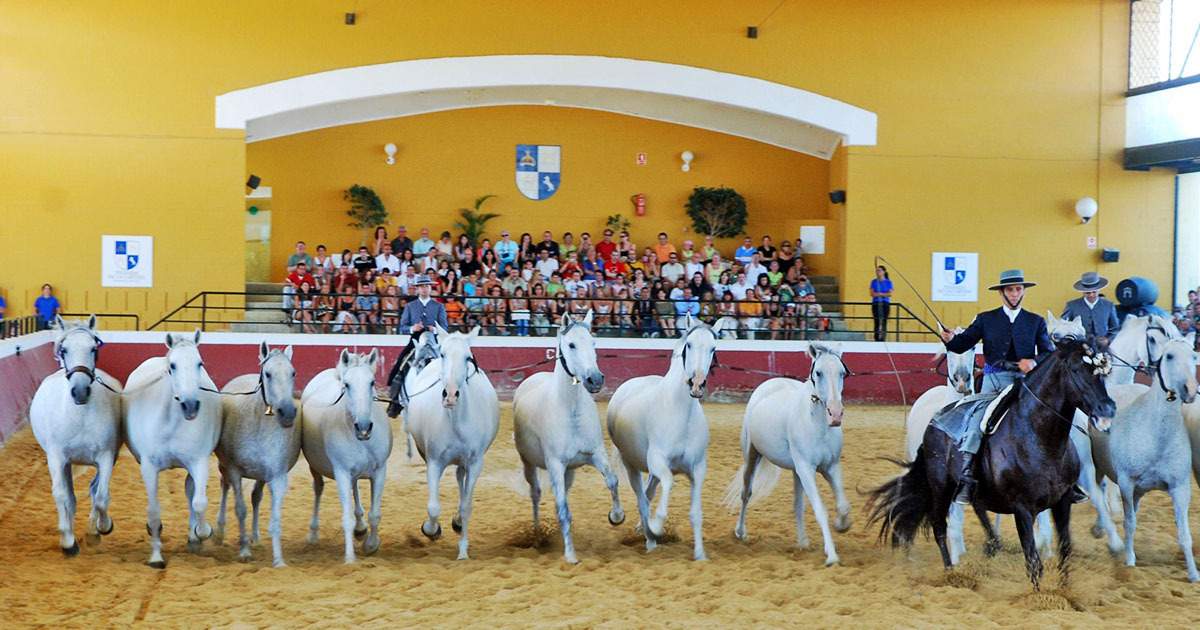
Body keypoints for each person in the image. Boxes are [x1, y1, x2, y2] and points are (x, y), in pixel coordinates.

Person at [940, 269, 1075, 506]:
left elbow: (1049, 353)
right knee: (977, 423)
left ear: (1023, 292)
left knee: (1057, 423)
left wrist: (1034, 362)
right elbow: (963, 344)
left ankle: (1068, 479)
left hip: (1027, 386)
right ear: (1002, 293)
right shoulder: (985, 319)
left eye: (1018, 289)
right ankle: (968, 475)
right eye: (1010, 290)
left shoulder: (1035, 322)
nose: (1014, 294)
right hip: (994, 385)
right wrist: (950, 340)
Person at [387, 275, 449, 411]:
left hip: (434, 341)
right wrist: (412, 328)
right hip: (415, 339)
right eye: (422, 286)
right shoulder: (410, 306)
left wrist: (435, 329)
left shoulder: (439, 306)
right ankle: (395, 398)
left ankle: (450, 394)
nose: (424, 289)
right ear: (417, 289)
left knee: (448, 365)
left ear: (430, 288)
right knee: (401, 363)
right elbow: (402, 327)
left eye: (426, 286)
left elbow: (445, 327)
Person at [1061, 271, 1120, 344]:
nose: (1091, 295)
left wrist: (1108, 340)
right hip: (1078, 348)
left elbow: (1115, 328)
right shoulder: (1072, 306)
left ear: (1099, 290)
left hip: (1102, 347)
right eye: (1088, 293)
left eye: (1094, 292)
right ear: (1083, 292)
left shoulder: (1108, 305)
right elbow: (1063, 327)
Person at [869, 265, 893, 342]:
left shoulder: (888, 282)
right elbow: (872, 293)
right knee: (876, 320)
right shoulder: (874, 281)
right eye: (877, 270)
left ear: (883, 272)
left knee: (884, 321)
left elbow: (889, 294)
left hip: (885, 303)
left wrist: (879, 294)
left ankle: (883, 337)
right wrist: (882, 294)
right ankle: (876, 337)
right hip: (876, 303)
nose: (878, 272)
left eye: (879, 270)